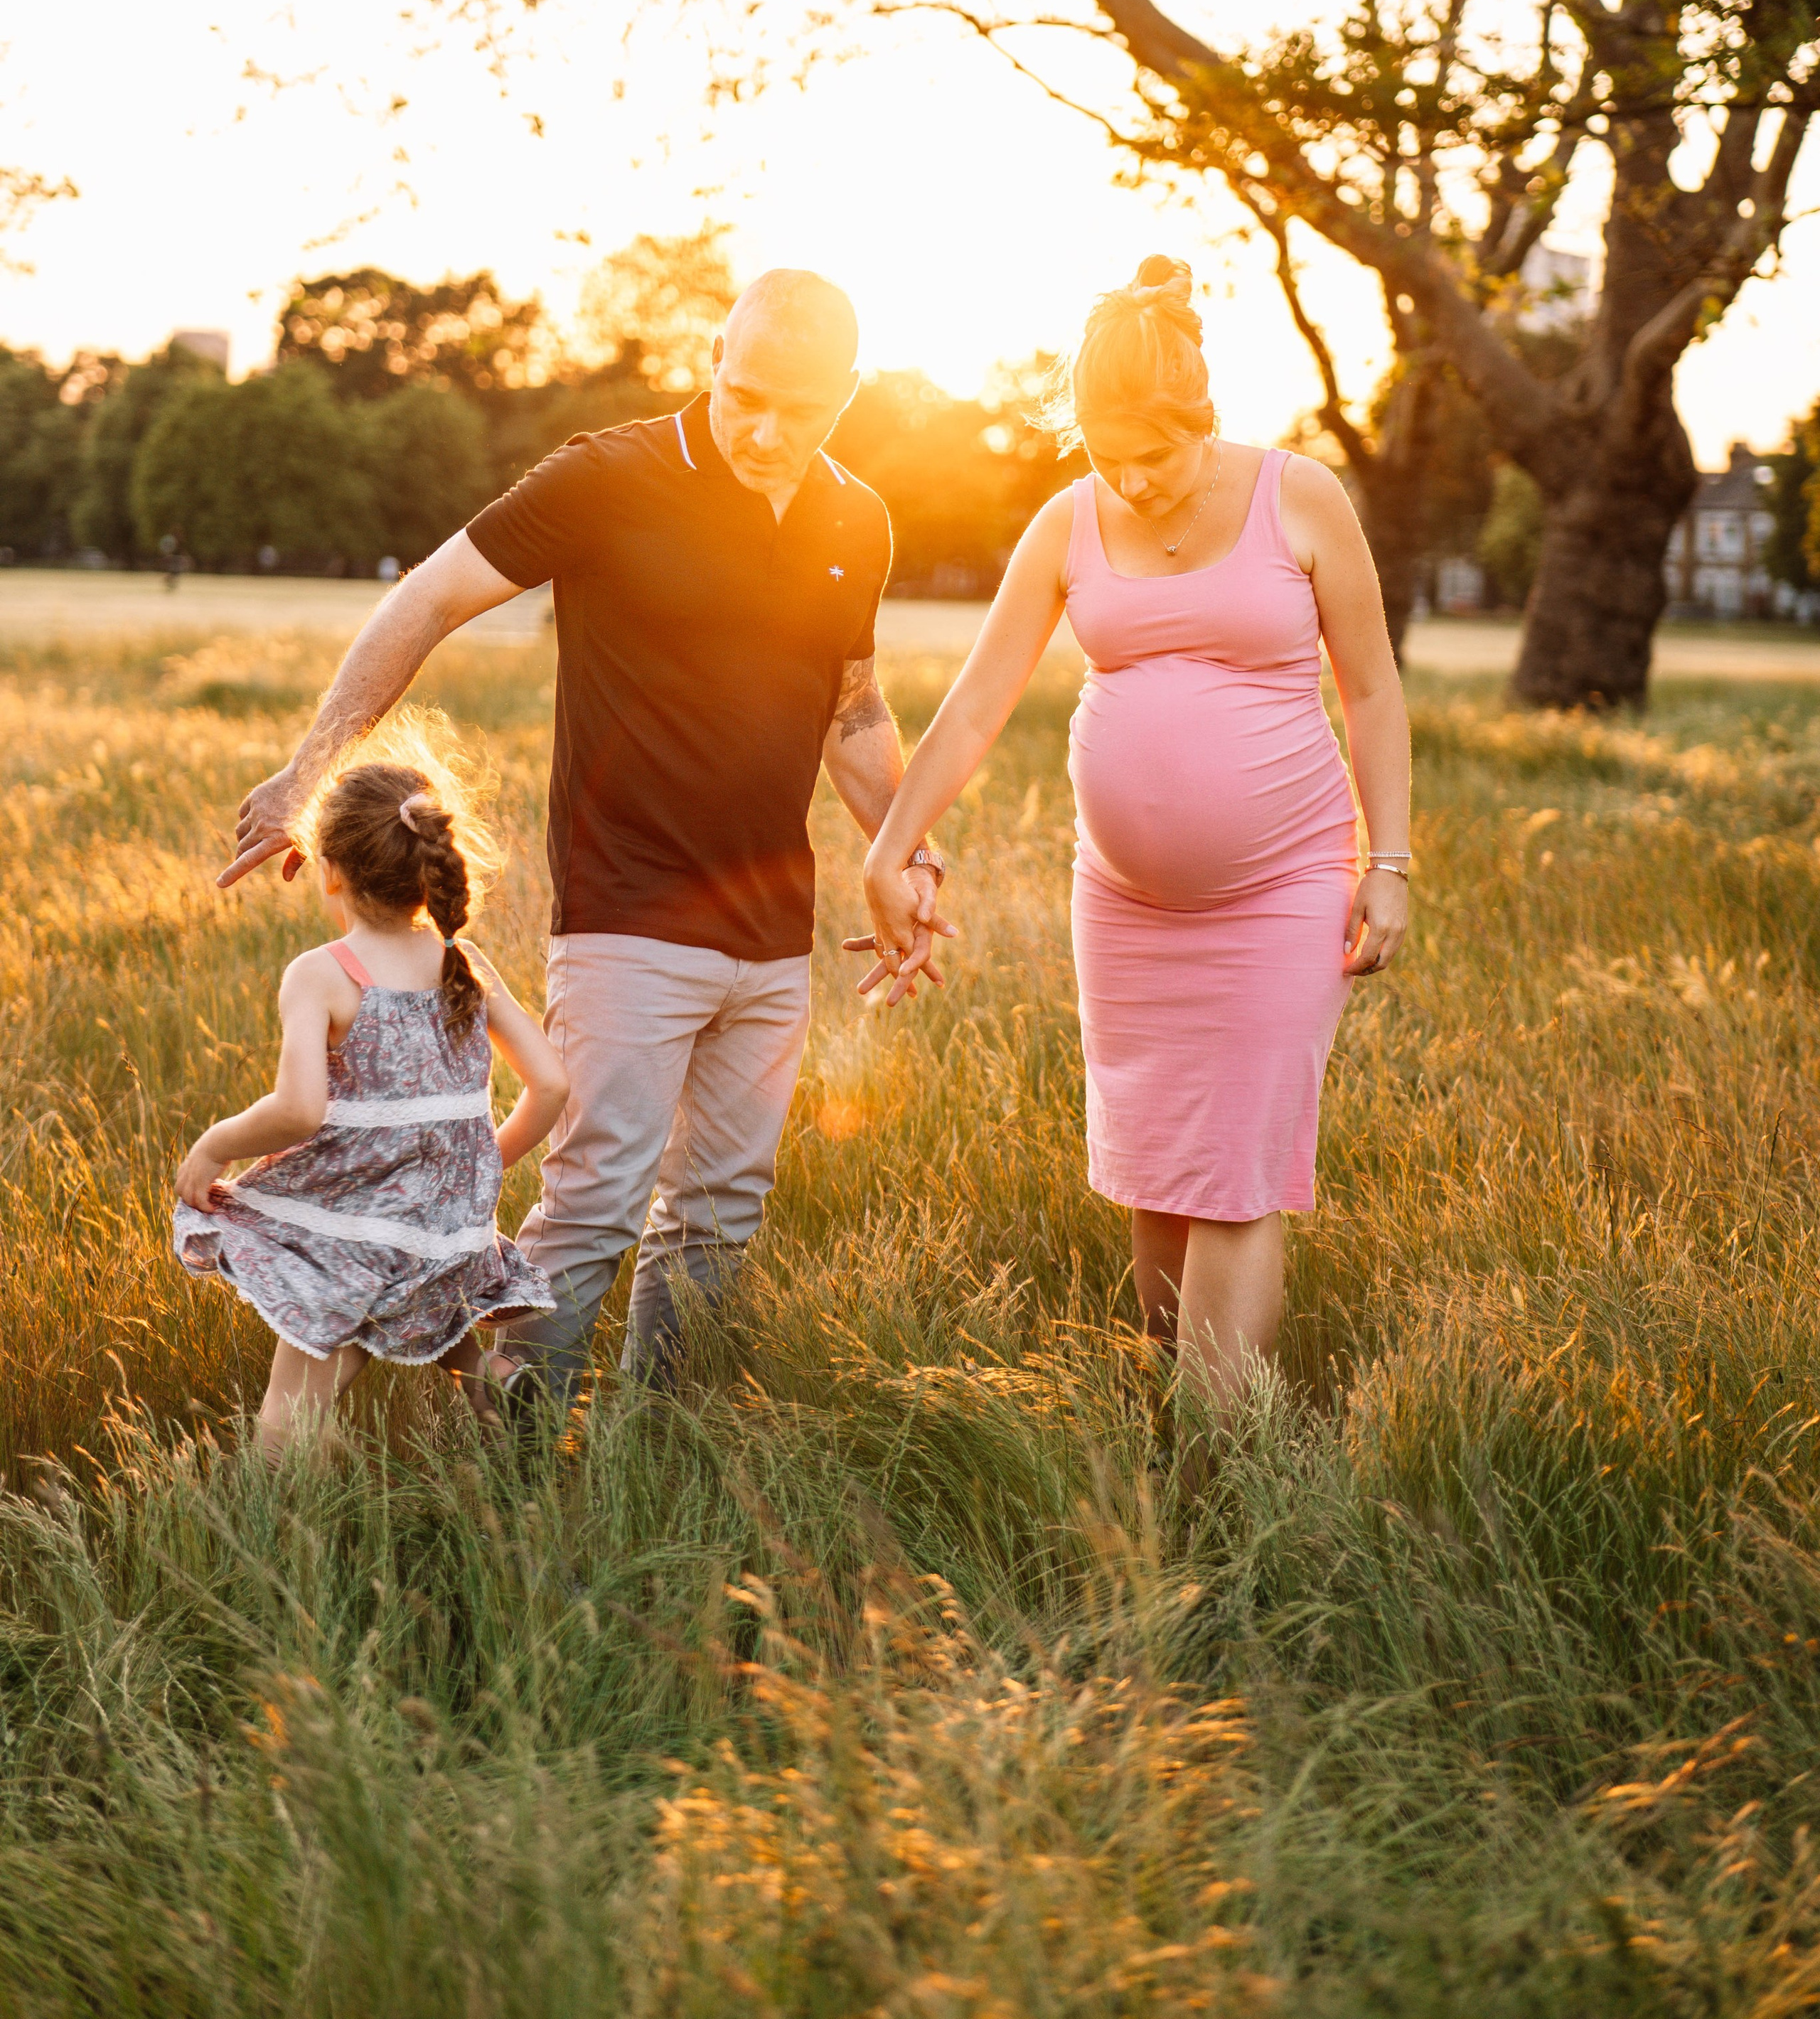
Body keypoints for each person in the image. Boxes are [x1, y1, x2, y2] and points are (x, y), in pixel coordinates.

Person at [218, 270, 948, 1408]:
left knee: (722, 1213)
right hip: (628, 914)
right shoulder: (609, 477)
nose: (765, 432)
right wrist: (310, 770)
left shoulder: (858, 518)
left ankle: (660, 1443)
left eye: (800, 411)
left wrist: (907, 852)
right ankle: (511, 1456)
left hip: (771, 933)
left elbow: (851, 705)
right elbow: (426, 598)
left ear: (847, 396)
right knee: (596, 1204)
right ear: (715, 359)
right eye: (746, 397)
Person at [860, 257, 1411, 1424]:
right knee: (1158, 1168)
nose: (1131, 480)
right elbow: (977, 702)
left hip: (1285, 885)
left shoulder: (1300, 497)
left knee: (1235, 1176)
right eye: (1108, 456)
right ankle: (1171, 1422)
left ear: (1201, 415)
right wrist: (889, 847)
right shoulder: (1068, 520)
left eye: (1152, 455)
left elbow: (1370, 689)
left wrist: (1390, 862)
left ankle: (1220, 1457)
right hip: (1123, 904)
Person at [174, 760, 566, 1457]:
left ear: (330, 871)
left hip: (357, 1236)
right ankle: (502, 1393)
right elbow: (552, 1087)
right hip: (452, 1235)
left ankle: (272, 1503)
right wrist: (470, 1172)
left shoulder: (323, 974)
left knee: (291, 1411)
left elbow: (298, 1111)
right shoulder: (463, 961)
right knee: (439, 1320)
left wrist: (213, 1146)